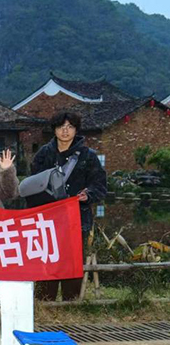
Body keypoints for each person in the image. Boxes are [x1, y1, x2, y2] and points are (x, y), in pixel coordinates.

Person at [29, 111, 107, 301]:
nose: (65, 131)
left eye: (70, 127)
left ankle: (70, 303)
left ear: (76, 130)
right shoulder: (44, 154)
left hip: (76, 217)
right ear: (54, 130)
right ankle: (44, 302)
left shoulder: (88, 156)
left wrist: (87, 195)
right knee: (47, 257)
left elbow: (100, 185)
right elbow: (32, 185)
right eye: (61, 127)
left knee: (72, 260)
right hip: (48, 218)